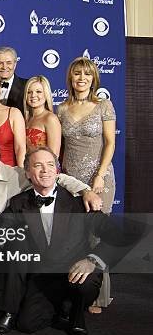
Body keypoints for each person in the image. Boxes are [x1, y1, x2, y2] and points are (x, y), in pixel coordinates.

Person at [0, 147, 119, 335]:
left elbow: (116, 236)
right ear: (28, 173)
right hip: (43, 277)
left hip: (76, 272)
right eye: (38, 166)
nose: (45, 170)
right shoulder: (18, 203)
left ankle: (76, 315)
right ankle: (50, 309)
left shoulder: (79, 202)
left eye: (50, 165)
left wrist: (92, 260)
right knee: (27, 325)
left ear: (57, 170)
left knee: (85, 282)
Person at [57, 57, 116, 312]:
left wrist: (100, 175)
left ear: (94, 79)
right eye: (77, 74)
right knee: (75, 235)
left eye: (87, 74)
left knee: (95, 236)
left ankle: (98, 295)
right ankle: (76, 290)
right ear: (70, 78)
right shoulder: (61, 109)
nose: (81, 78)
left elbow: (110, 143)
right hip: (72, 181)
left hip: (99, 178)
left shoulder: (104, 105)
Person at [24, 76, 61, 156]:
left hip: (44, 167)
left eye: (38, 92)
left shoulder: (50, 119)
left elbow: (54, 155)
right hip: (26, 167)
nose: (33, 95)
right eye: (29, 92)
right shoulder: (26, 119)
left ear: (46, 94)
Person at [0, 46, 28, 115]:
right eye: (0, 63)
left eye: (9, 63)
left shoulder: (27, 86)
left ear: (15, 64)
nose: (4, 67)